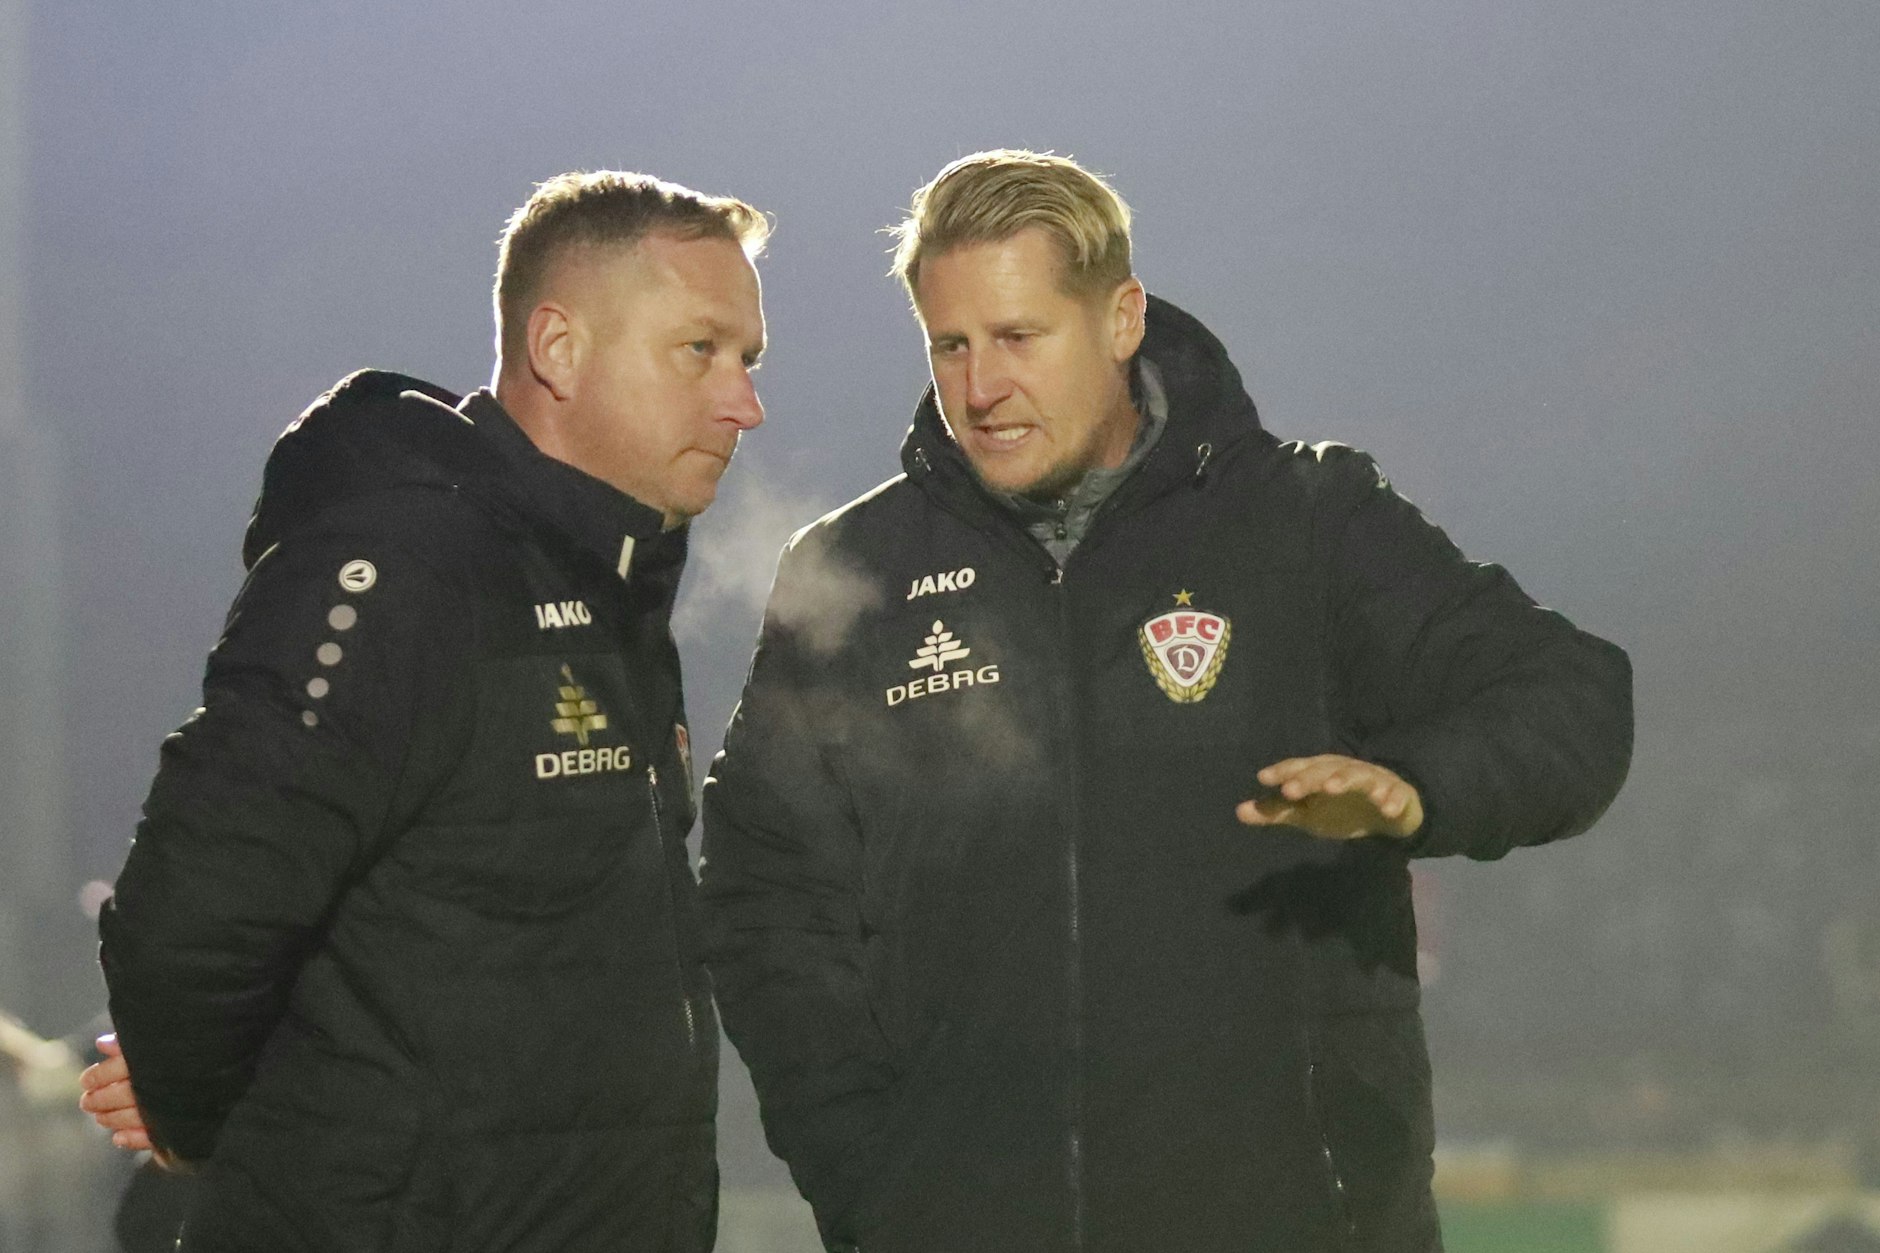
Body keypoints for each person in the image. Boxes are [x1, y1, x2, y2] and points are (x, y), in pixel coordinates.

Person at [697, 150, 1633, 1253]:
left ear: (1121, 318)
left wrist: (1418, 789)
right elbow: (764, 891)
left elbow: (1572, 695)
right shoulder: (855, 569)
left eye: (1017, 337)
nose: (980, 386)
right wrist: (872, 1175)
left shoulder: (1304, 521)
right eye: (949, 344)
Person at [77, 170, 769, 1252]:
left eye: (746, 361)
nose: (741, 401)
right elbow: (193, 916)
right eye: (699, 350)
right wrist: (204, 1124)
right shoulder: (404, 568)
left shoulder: (607, 586)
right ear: (558, 346)